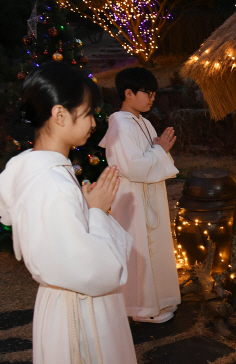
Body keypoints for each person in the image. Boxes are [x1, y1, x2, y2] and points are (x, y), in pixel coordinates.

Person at [0, 63, 136, 363]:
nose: (93, 122)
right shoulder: (52, 184)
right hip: (79, 310)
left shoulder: (41, 171)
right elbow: (91, 270)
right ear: (60, 115)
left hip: (64, 303)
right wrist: (98, 213)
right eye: (88, 113)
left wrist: (85, 210)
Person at [99, 67, 180, 323]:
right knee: (139, 250)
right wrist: (159, 151)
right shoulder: (120, 125)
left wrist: (160, 150)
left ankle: (158, 300)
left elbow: (151, 158)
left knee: (154, 248)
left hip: (148, 194)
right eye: (147, 93)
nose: (152, 98)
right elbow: (132, 167)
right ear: (128, 93)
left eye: (154, 94)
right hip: (132, 197)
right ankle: (141, 308)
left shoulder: (143, 122)